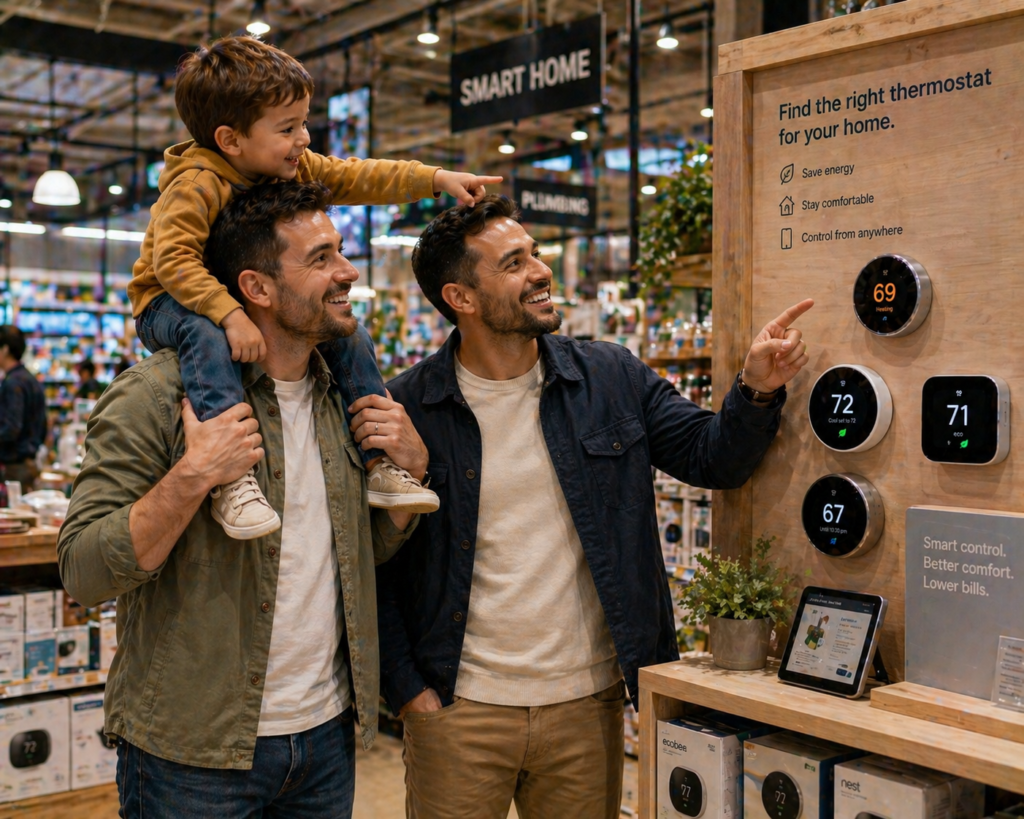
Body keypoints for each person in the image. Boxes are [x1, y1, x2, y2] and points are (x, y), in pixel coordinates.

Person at [371, 195, 813, 819]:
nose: (541, 271)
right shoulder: (408, 408)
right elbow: (377, 566)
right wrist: (408, 691)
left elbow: (713, 459)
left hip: (588, 703)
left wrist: (756, 388)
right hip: (460, 708)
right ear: (461, 298)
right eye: (514, 262)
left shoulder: (609, 376)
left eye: (536, 254)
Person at [58, 181, 429, 818]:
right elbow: (84, 571)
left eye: (341, 251)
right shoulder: (155, 397)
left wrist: (409, 474)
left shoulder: (346, 397)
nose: (347, 272)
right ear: (255, 288)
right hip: (192, 754)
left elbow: (360, 552)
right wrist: (193, 476)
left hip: (326, 741)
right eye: (320, 259)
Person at [128, 35, 499, 539]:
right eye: (288, 128)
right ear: (231, 140)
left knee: (349, 334)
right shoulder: (195, 183)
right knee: (207, 337)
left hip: (230, 297)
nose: (304, 138)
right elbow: (171, 261)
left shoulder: (289, 165)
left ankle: (380, 462)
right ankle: (232, 477)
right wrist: (229, 314)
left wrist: (434, 178)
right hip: (168, 302)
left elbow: (358, 175)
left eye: (303, 122)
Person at [0, 326, 46, 493]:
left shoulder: (13, 383)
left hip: (14, 468)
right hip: (28, 464)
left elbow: (11, 428)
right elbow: (43, 426)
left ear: (5, 349)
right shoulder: (30, 379)